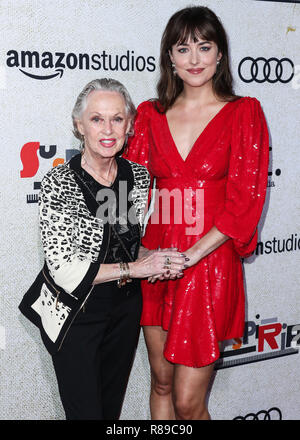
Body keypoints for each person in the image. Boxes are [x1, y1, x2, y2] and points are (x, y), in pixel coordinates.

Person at [124, 6, 269, 420]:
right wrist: (136, 259)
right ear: (169, 56)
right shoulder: (149, 115)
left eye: (204, 47)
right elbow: (131, 194)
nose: (194, 59)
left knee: (189, 402)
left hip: (208, 265)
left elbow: (243, 205)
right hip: (155, 263)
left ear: (220, 54)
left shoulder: (245, 113)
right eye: (183, 48)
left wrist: (189, 257)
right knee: (161, 383)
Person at [19, 78, 186, 420]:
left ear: (129, 125)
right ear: (79, 126)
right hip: (78, 313)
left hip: (124, 311)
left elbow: (124, 244)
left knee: (109, 413)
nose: (107, 129)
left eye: (117, 119)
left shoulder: (136, 176)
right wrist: (135, 269)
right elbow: (64, 269)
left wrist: (153, 260)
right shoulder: (59, 182)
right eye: (96, 119)